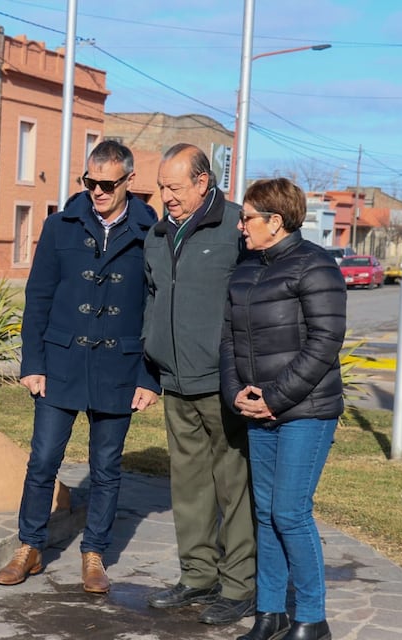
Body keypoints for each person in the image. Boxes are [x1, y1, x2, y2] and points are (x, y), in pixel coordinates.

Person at [0, 140, 160, 594]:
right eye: (91, 182)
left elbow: (156, 307)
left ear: (129, 181)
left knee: (106, 466)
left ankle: (94, 554)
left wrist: (150, 377)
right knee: (43, 458)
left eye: (108, 184)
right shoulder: (59, 226)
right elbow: (38, 297)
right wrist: (33, 363)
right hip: (60, 361)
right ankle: (29, 547)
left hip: (120, 367)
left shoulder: (152, 234)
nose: (98, 191)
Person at [220, 177, 346, 640]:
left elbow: (325, 342)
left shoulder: (316, 266)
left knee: (291, 512)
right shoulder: (245, 268)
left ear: (275, 222)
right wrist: (236, 392)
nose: (240, 226)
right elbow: (229, 339)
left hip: (306, 412)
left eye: (248, 217)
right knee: (266, 512)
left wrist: (273, 398)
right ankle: (269, 613)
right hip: (257, 410)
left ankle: (312, 618)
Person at [142, 143, 256, 625]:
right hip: (176, 380)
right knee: (188, 486)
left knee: (233, 486)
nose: (166, 196)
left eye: (174, 186)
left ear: (203, 181)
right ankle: (196, 576)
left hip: (222, 382)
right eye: (162, 186)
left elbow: (256, 299)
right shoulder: (158, 233)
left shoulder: (235, 227)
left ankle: (238, 586)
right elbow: (152, 297)